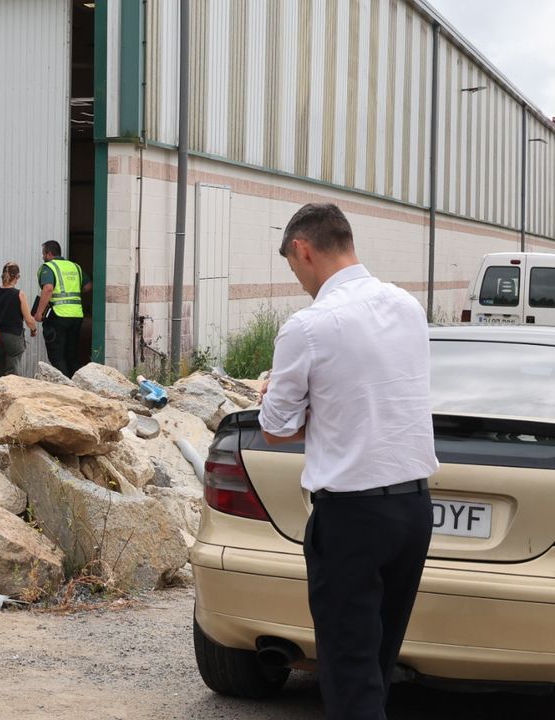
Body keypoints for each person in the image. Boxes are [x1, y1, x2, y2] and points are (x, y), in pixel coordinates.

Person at [259, 203, 438, 720]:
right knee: (375, 667)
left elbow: (275, 428)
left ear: (303, 250)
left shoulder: (309, 326)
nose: (299, 283)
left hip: (351, 519)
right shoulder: (407, 307)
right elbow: (379, 399)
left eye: (295, 271)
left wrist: (272, 389)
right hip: (413, 510)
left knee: (347, 676)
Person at [32, 240, 91, 378]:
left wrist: (39, 313)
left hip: (59, 316)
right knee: (72, 355)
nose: (42, 257)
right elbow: (88, 286)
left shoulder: (48, 267)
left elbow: (48, 288)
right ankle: (78, 385)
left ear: (49, 254)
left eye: (43, 254)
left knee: (57, 357)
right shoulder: (75, 267)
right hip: (76, 316)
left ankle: (65, 389)